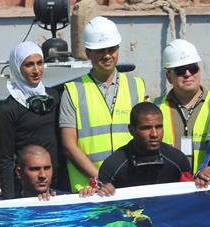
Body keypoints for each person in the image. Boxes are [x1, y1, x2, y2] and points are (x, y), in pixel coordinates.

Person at [60, 16, 147, 191]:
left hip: (130, 184)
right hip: (89, 190)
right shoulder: (72, 90)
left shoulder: (137, 86)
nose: (107, 55)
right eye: (100, 50)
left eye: (112, 49)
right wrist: (100, 179)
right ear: (88, 53)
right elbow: (69, 146)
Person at [0, 42, 63, 199]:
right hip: (26, 189)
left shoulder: (54, 97)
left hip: (57, 185)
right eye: (29, 65)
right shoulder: (9, 108)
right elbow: (6, 159)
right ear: (17, 68)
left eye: (40, 63)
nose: (36, 70)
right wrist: (9, 200)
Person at [155, 39, 210, 173]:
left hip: (209, 183)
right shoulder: (154, 107)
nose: (188, 74)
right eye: (180, 70)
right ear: (168, 76)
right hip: (170, 183)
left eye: (193, 68)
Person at [87, 101, 190, 195]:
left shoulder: (177, 159)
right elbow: (100, 203)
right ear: (131, 130)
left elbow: (191, 196)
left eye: (158, 127)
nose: (154, 134)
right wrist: (90, 193)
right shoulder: (112, 166)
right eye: (146, 128)